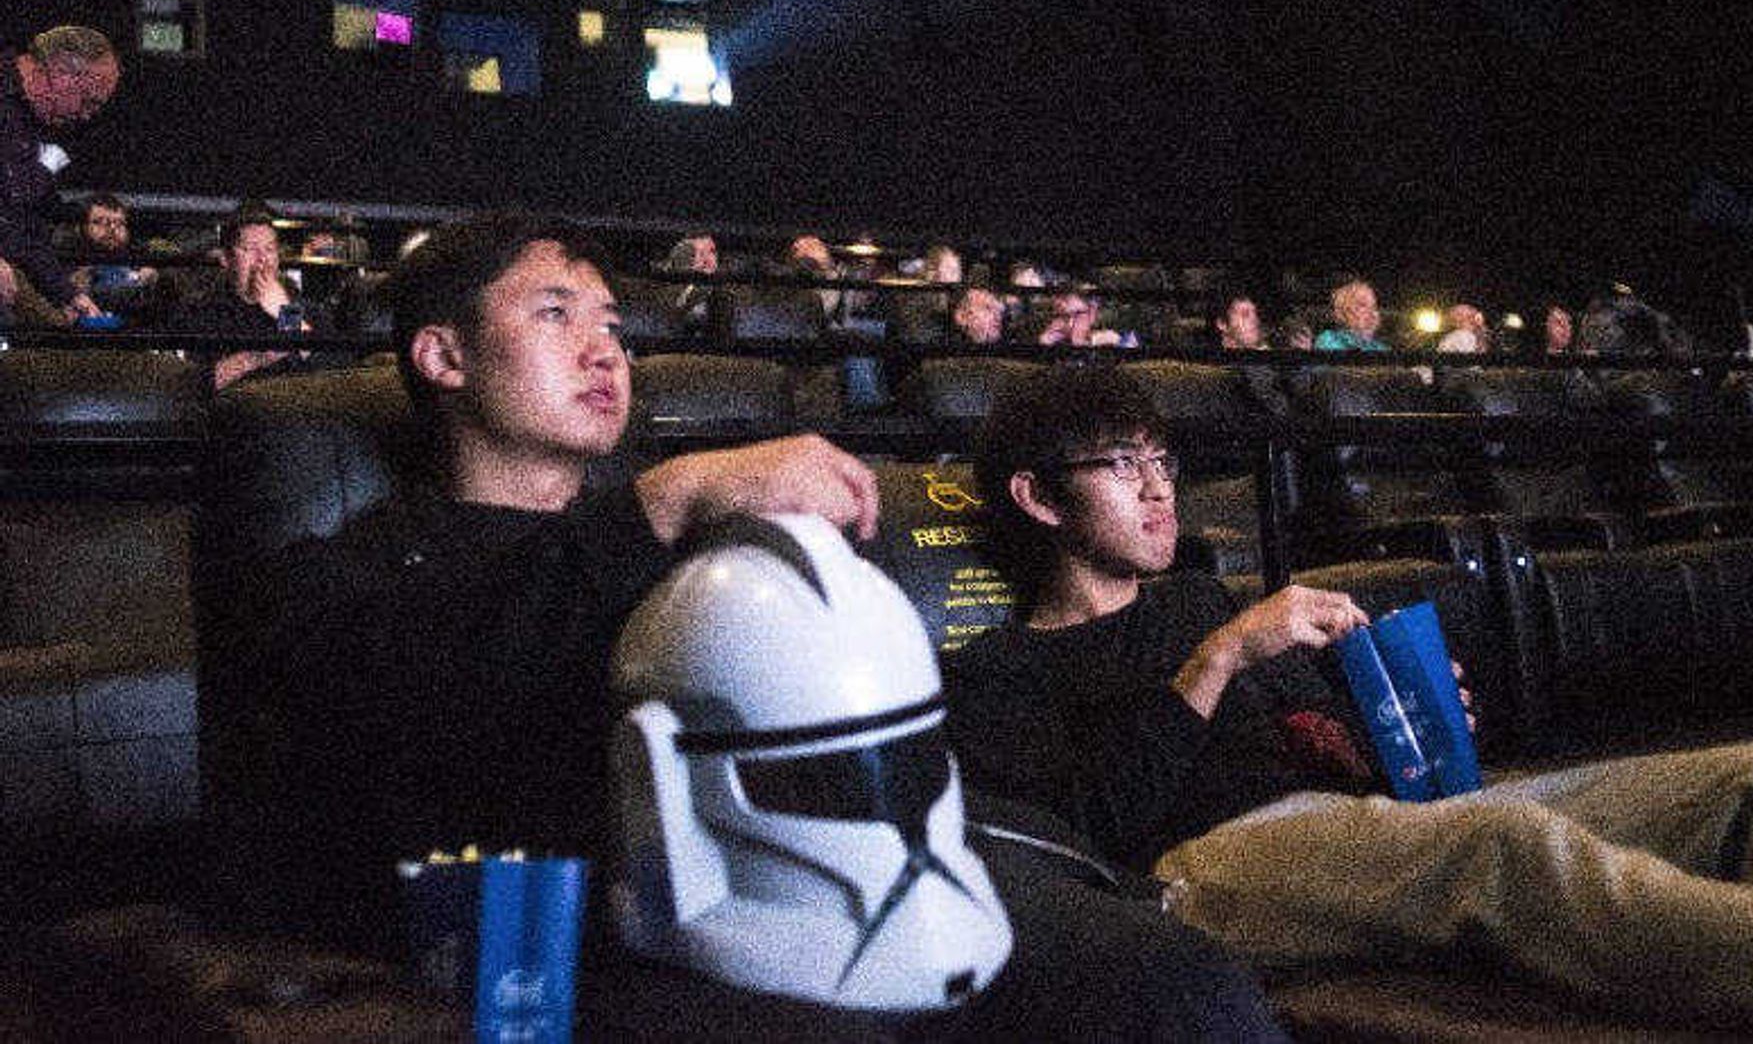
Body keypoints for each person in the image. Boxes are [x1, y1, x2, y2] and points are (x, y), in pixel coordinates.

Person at [222, 215, 1280, 1039]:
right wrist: (665, 501)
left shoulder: (702, 553)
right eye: (555, 316)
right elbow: (417, 697)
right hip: (650, 934)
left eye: (612, 323)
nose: (606, 349)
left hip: (874, 876)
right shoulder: (357, 570)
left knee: (1168, 982)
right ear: (443, 358)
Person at [941, 364, 1753, 1034]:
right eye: (1122, 464)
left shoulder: (1199, 598)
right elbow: (1083, 839)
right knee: (1503, 849)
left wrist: (1406, 721)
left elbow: (1322, 743)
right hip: (1199, 872)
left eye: (1163, 462)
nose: (1159, 490)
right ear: (1036, 497)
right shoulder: (1002, 666)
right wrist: (1215, 663)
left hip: (1364, 823)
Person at [1, 25, 120, 324]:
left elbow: (27, 228)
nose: (87, 115)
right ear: (60, 73)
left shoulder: (40, 130)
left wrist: (66, 293)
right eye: (89, 100)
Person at [170, 202, 332, 390]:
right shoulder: (202, 311)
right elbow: (190, 385)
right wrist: (254, 358)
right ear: (226, 259)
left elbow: (335, 368)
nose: (263, 259)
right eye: (251, 249)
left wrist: (286, 312)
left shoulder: (301, 306)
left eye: (270, 249)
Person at [1313, 277, 1389, 352]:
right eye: (1362, 305)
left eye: (1374, 307)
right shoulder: (1329, 340)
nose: (1373, 313)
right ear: (1342, 312)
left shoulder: (1381, 348)